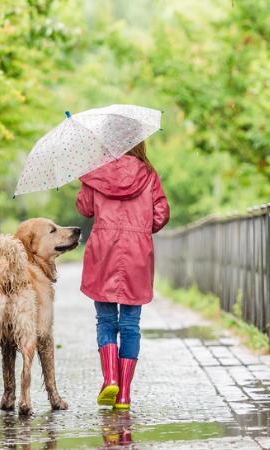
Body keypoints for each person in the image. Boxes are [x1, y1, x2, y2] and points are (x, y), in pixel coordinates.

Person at [75, 140, 170, 410]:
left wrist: (87, 180)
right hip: (137, 251)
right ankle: (124, 395)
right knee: (130, 324)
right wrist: (141, 227)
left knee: (105, 319)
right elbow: (161, 214)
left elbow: (84, 208)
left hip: (103, 249)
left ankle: (110, 379)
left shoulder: (96, 172)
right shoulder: (148, 174)